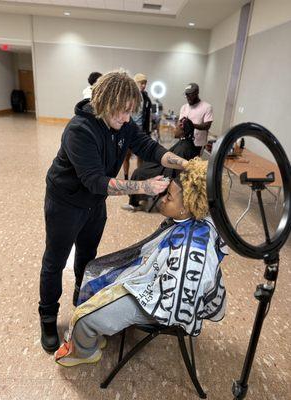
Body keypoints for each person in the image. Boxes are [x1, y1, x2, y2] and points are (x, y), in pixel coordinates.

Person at [39, 71, 190, 353]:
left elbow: (150, 147)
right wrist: (143, 186)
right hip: (66, 202)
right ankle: (47, 316)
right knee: (55, 261)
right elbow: (95, 180)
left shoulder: (123, 124)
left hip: (94, 202)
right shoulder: (78, 131)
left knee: (88, 254)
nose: (127, 118)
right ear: (106, 102)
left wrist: (186, 164)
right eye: (123, 112)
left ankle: (80, 297)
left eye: (131, 112)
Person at [54, 158, 228, 367]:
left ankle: (85, 352)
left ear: (187, 207)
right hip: (155, 279)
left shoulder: (191, 252)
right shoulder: (198, 218)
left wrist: (139, 289)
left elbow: (178, 300)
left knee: (84, 319)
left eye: (168, 197)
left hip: (160, 304)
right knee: (95, 269)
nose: (161, 199)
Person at [122, 117, 198, 211]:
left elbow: (173, 172)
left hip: (166, 173)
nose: (174, 129)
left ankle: (134, 203)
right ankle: (136, 198)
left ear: (182, 130)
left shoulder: (184, 148)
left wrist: (165, 180)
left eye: (176, 127)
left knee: (138, 173)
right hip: (165, 168)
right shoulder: (185, 143)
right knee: (145, 166)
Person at [122, 73, 152, 180]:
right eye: (142, 83)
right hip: (128, 131)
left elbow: (148, 116)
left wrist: (148, 131)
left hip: (141, 132)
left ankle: (140, 176)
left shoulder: (146, 98)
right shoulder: (128, 97)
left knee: (141, 156)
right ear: (136, 83)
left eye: (145, 83)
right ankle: (126, 177)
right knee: (126, 156)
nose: (144, 85)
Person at [179, 83, 213, 155]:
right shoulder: (184, 107)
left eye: (190, 95)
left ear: (196, 93)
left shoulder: (207, 107)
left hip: (198, 144)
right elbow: (180, 124)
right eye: (186, 95)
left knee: (194, 165)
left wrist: (191, 125)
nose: (188, 98)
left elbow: (207, 126)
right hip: (184, 142)